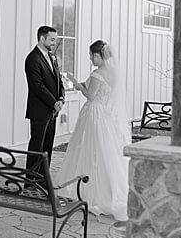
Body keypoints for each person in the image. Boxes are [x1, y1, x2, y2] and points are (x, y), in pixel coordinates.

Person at [56, 40, 131, 220]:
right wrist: (82, 84)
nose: (91, 59)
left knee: (89, 149)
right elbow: (104, 91)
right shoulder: (113, 73)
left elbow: (90, 95)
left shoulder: (97, 73)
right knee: (105, 151)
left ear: (98, 55)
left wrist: (78, 85)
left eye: (91, 56)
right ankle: (108, 186)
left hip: (94, 113)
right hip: (105, 113)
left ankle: (90, 190)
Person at [24, 26, 65, 172]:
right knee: (37, 146)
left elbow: (59, 80)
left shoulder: (51, 57)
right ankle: (31, 181)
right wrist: (53, 102)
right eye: (52, 39)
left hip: (53, 110)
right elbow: (37, 86)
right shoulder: (33, 58)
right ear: (42, 38)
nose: (54, 42)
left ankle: (43, 180)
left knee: (48, 146)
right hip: (40, 110)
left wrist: (61, 98)